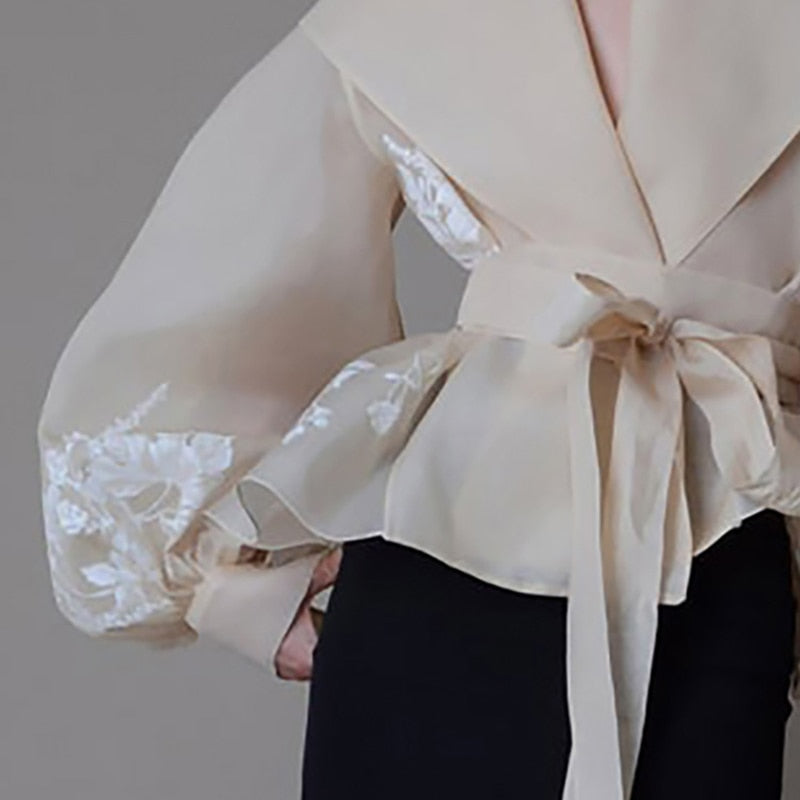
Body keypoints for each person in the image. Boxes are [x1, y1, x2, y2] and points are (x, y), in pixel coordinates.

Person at [35, 1, 800, 798]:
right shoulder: (412, 13)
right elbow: (219, 271)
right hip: (440, 559)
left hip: (717, 554)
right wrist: (224, 588)